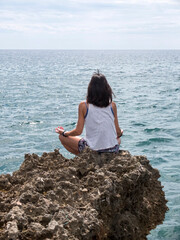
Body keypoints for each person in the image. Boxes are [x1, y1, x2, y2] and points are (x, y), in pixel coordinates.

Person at [55, 71, 123, 155]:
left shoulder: (84, 106)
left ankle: (85, 158)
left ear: (90, 89)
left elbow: (78, 131)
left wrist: (64, 133)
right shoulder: (112, 105)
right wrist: (121, 132)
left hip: (92, 150)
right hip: (112, 150)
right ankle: (93, 158)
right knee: (118, 139)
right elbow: (118, 132)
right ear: (107, 89)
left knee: (62, 137)